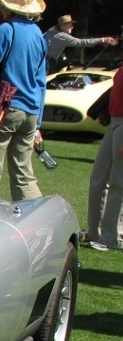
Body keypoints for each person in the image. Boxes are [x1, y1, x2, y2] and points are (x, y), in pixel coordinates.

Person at [0, 0, 47, 202]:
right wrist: (38, 120)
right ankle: (34, 219)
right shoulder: (38, 34)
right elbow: (41, 81)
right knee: (24, 175)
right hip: (30, 110)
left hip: (5, 107)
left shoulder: (6, 30)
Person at [86, 67, 123, 251]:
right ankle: (95, 231)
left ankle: (112, 236)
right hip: (115, 121)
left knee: (118, 182)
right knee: (98, 179)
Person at [44, 14, 117, 73]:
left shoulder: (51, 31)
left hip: (42, 59)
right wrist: (103, 39)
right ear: (63, 25)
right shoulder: (61, 36)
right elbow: (81, 42)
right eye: (70, 24)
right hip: (46, 62)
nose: (72, 27)